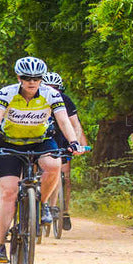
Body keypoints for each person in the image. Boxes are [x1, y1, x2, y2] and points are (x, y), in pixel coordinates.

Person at [0, 57, 81, 264]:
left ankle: (41, 206)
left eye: (36, 78)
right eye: (26, 78)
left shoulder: (52, 94)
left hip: (40, 140)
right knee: (8, 192)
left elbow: (62, 120)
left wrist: (74, 141)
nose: (31, 82)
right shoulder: (6, 93)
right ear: (19, 78)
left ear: (41, 79)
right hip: (10, 142)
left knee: (53, 164)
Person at [42, 71, 87, 231]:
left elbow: (75, 125)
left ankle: (64, 210)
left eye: (56, 88)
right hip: (41, 137)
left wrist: (77, 142)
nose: (53, 91)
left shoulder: (65, 101)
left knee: (65, 175)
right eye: (48, 87)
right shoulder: (36, 99)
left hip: (62, 137)